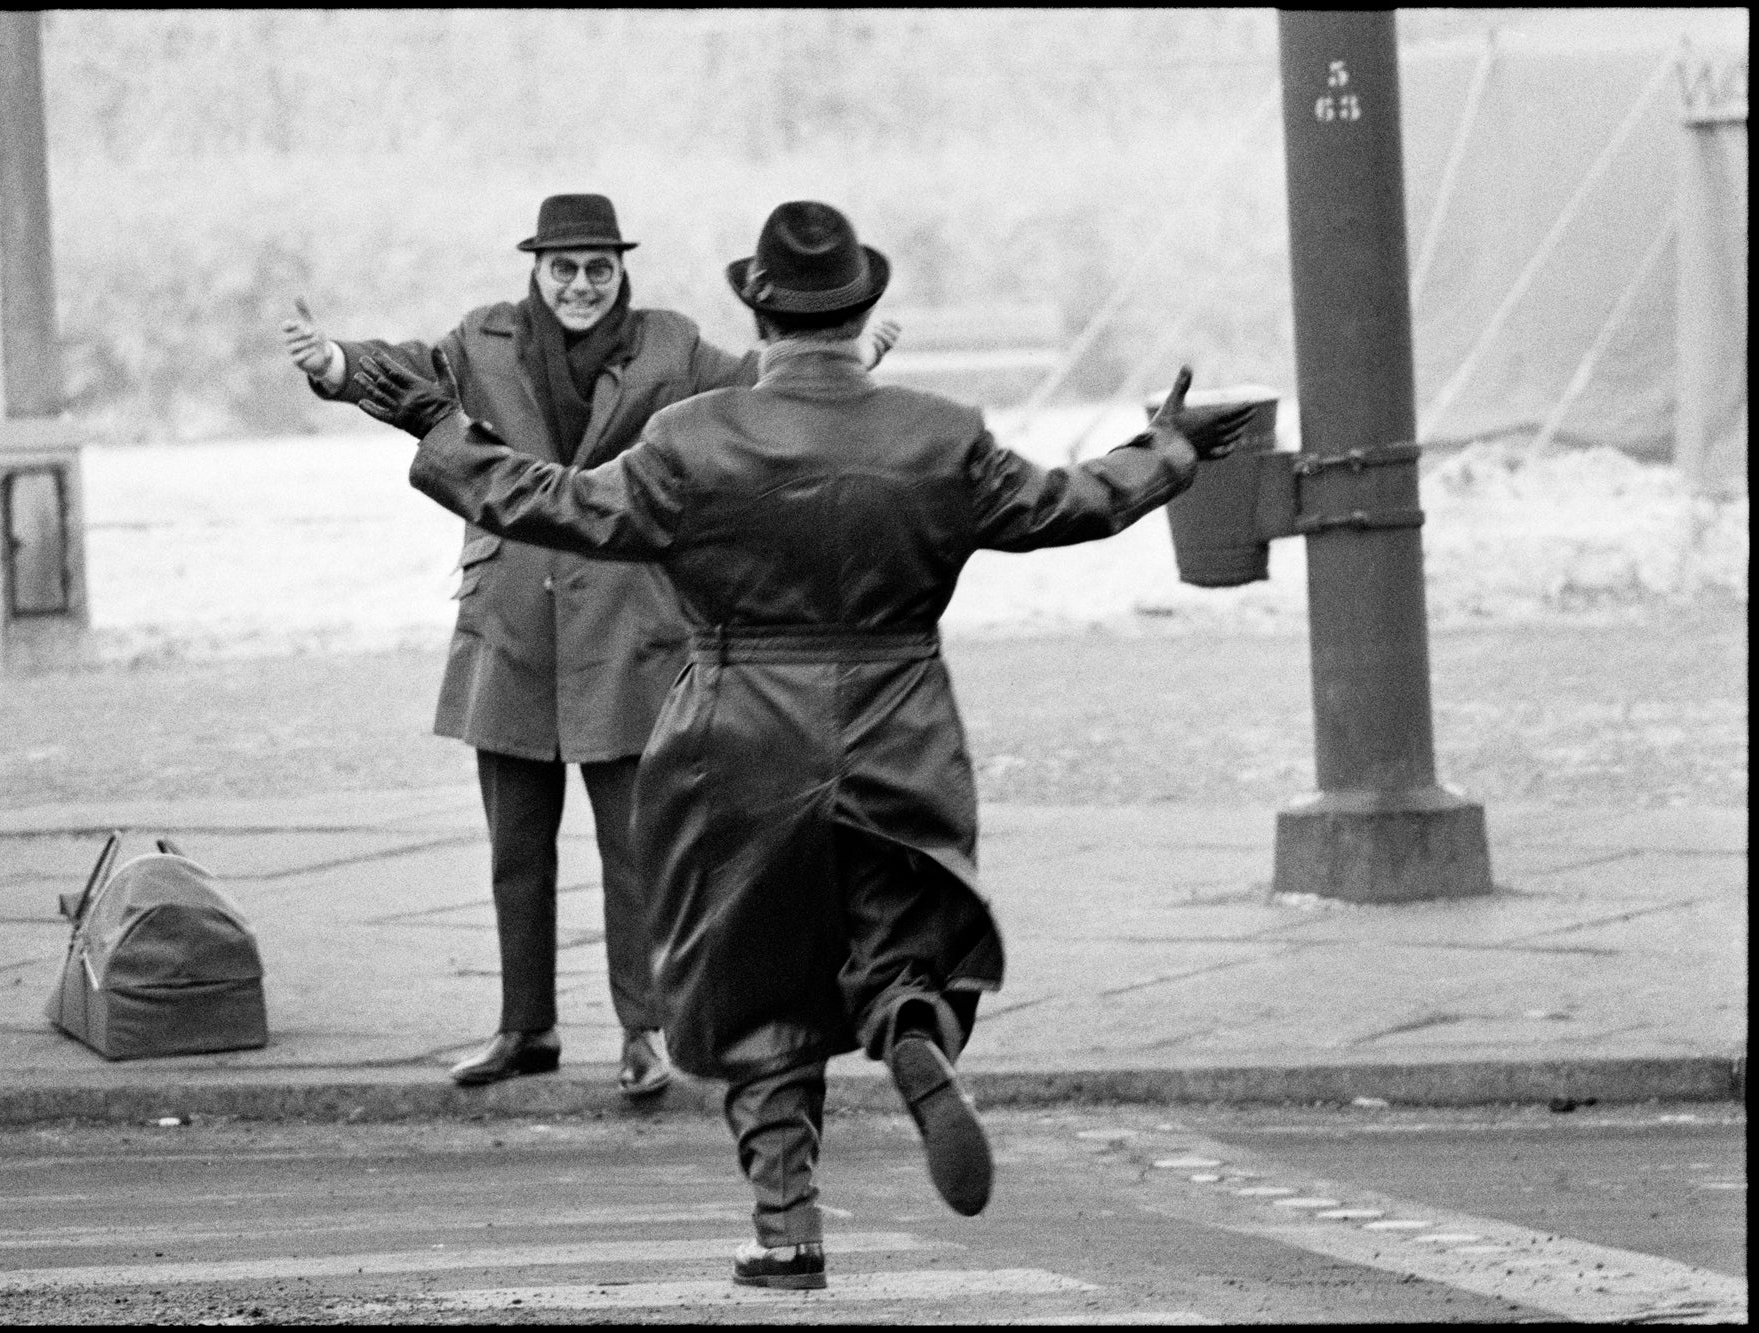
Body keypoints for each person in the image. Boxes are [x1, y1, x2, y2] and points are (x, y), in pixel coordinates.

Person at [365, 200, 1251, 1288]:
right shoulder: (938, 432)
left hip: (734, 728)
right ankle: (909, 1031)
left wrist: (438, 429)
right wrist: (1166, 448)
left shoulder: (692, 439)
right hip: (899, 720)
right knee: (896, 933)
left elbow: (547, 503)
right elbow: (1065, 504)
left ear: (761, 313)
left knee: (759, 987)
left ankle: (786, 1232)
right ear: (862, 310)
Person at [280, 194, 897, 1101]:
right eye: (563, 269)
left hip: (630, 628)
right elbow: (405, 373)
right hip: (511, 625)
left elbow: (752, 385)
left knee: (635, 847)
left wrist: (840, 361)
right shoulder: (480, 342)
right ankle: (524, 1028)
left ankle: (642, 1033)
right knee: (514, 849)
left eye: (597, 269)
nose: (580, 285)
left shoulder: (671, 345)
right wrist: (334, 363)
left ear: (621, 272)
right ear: (535, 270)